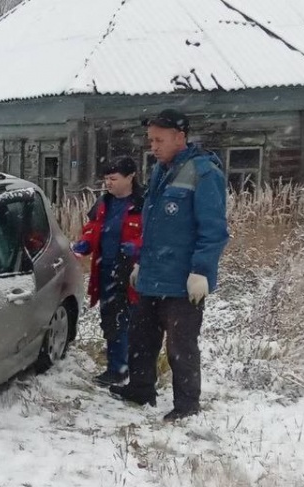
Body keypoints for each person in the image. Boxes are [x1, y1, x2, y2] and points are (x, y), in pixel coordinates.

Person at [110, 109, 230, 422]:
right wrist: (140, 264)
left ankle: (187, 405)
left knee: (181, 346)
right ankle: (141, 388)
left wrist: (201, 271)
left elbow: (214, 229)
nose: (153, 145)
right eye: (150, 139)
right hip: (153, 274)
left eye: (159, 139)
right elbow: (155, 226)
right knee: (142, 338)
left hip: (183, 280)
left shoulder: (204, 173)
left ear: (180, 137)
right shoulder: (161, 171)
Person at [70, 156, 144, 387]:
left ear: (130, 177)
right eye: (106, 179)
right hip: (105, 270)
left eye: (114, 178)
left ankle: (136, 370)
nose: (108, 183)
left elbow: (156, 236)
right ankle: (116, 368)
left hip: (133, 272)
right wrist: (86, 243)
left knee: (132, 322)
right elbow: (93, 228)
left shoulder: (144, 204)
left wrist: (137, 248)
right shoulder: (104, 203)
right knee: (111, 320)